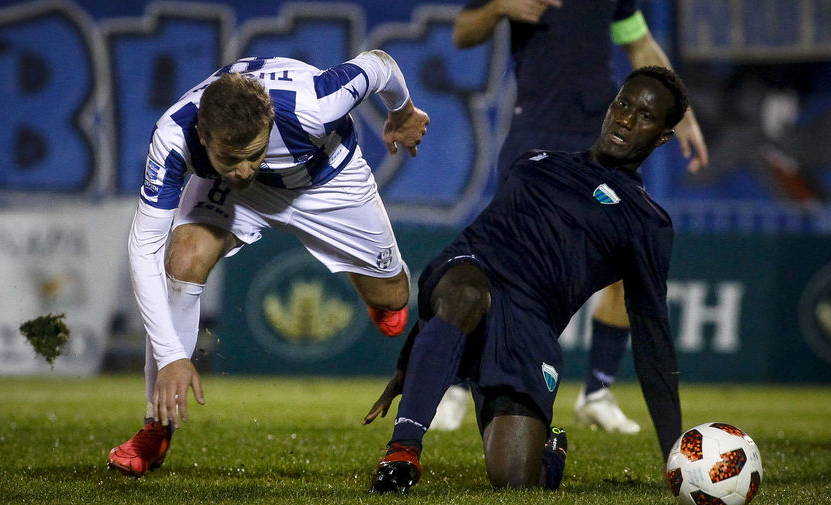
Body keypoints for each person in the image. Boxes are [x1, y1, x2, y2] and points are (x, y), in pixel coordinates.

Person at [107, 50, 430, 477]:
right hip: (239, 199)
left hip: (326, 182)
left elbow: (380, 63)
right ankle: (156, 429)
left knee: (393, 300)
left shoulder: (313, 104)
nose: (243, 169)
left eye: (254, 153)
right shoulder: (173, 136)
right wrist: (170, 356)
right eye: (230, 157)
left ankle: (361, 274)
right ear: (203, 137)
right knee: (182, 260)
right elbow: (143, 246)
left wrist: (402, 112)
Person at [364, 66, 686, 493]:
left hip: (529, 326)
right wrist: (414, 359)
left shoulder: (646, 221)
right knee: (465, 292)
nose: (626, 119)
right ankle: (402, 453)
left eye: (645, 116)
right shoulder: (536, 162)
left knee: (517, 483)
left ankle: (550, 454)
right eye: (623, 104)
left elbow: (651, 332)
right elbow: (474, 245)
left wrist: (674, 453)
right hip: (471, 273)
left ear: (663, 136)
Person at [428, 0, 707, 434]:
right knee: (502, 263)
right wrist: (501, 6)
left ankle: (596, 392)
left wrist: (682, 116)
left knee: (623, 260)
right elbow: (464, 32)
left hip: (601, 131)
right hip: (536, 132)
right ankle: (460, 385)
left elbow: (639, 44)